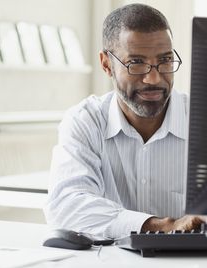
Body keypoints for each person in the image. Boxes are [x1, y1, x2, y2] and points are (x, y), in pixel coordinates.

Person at [44, 3, 206, 239]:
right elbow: (66, 207)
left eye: (165, 60)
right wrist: (159, 225)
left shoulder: (201, 120)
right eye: (136, 63)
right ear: (107, 64)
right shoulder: (86, 121)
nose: (153, 78)